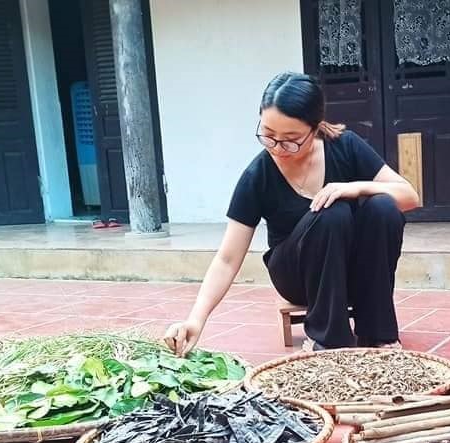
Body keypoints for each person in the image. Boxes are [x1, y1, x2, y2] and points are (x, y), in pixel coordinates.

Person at [164, 71, 421, 356]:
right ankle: (328, 340)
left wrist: (351, 188)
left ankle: (378, 334)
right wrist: (195, 319)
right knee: (331, 212)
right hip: (297, 275)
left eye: (290, 139)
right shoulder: (258, 175)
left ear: (316, 127)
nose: (278, 148)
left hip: (351, 272)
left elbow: (410, 196)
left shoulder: (345, 146)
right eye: (268, 135)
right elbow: (226, 259)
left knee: (382, 206)